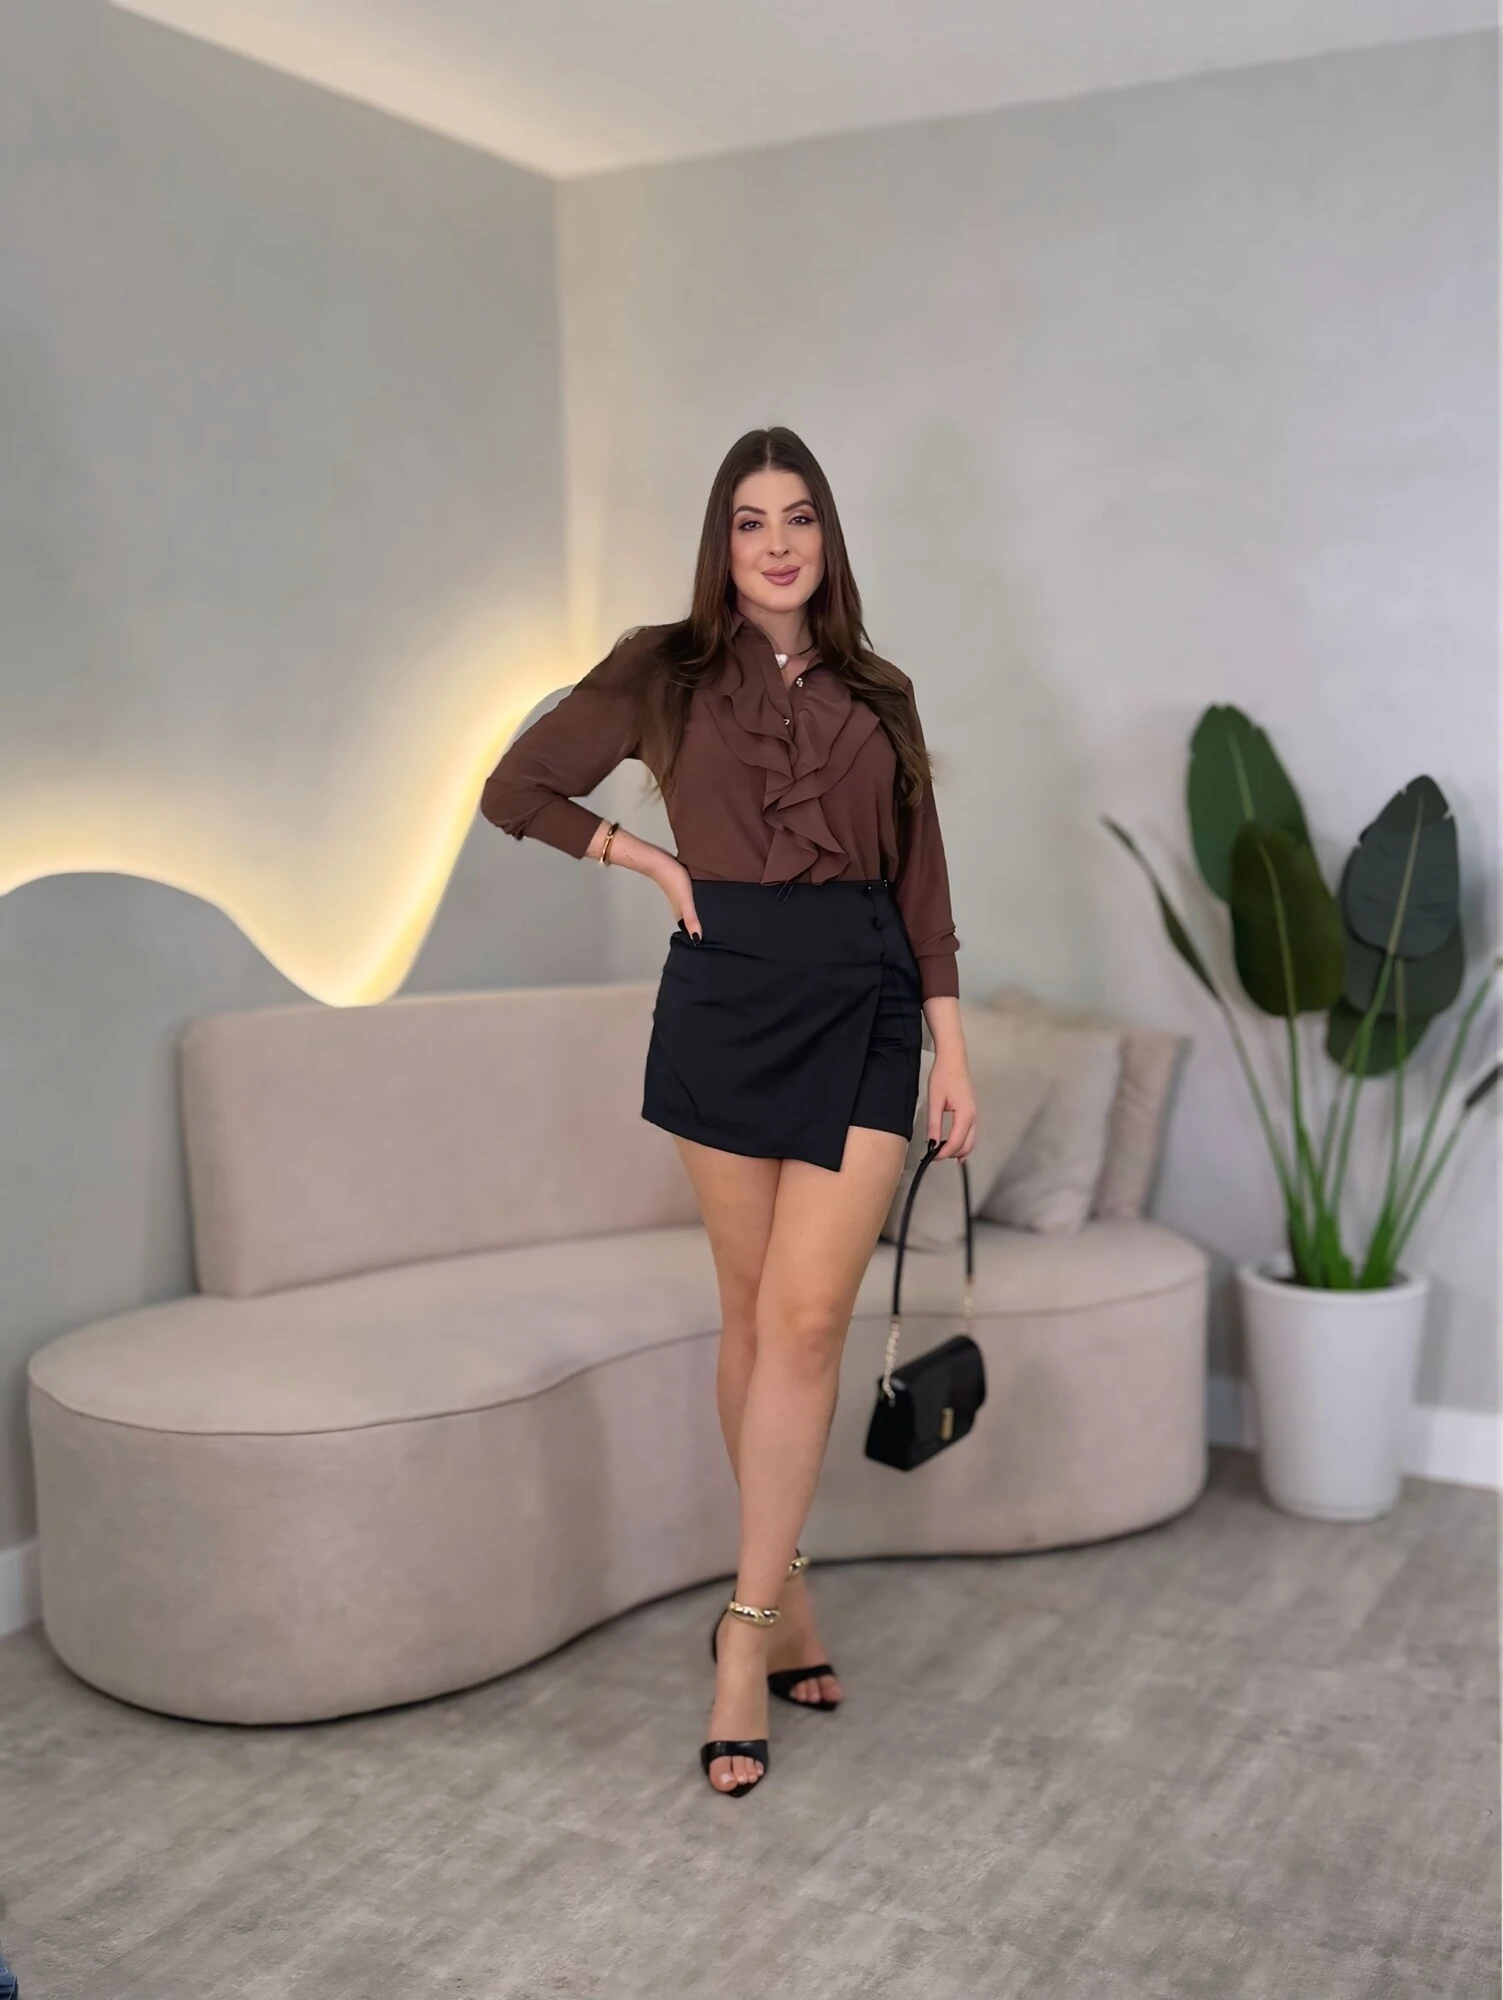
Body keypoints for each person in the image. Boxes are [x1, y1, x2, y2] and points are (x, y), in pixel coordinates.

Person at [479, 425, 977, 1798]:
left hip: (866, 1002)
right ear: (722, 543)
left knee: (810, 1322)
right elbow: (514, 789)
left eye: (797, 516)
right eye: (750, 521)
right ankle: (788, 1598)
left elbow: (924, 887)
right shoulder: (662, 670)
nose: (775, 543)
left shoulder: (881, 691)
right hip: (725, 1000)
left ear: (827, 536)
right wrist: (645, 860)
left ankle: (741, 1636)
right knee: (752, 1314)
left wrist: (951, 1050)